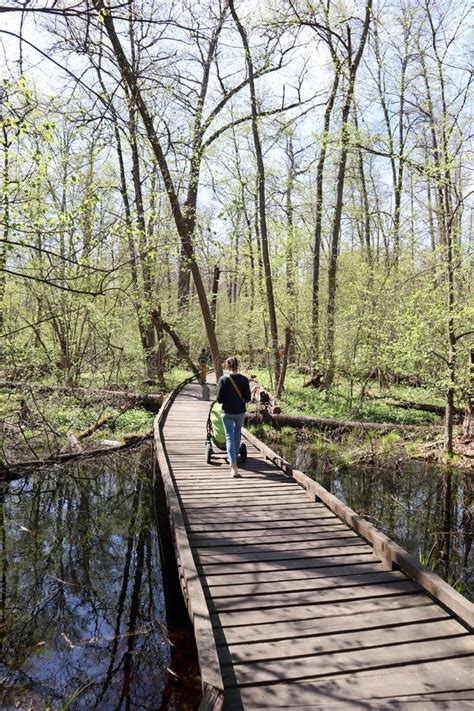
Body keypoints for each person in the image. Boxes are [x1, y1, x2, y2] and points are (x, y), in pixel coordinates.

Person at [216, 356, 251, 477]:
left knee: (229, 437)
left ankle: (234, 467)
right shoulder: (244, 380)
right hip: (240, 412)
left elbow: (219, 400)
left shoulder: (223, 380)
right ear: (238, 365)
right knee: (237, 434)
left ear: (227, 366)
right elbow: (248, 399)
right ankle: (234, 458)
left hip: (227, 412)